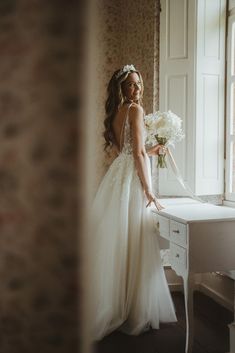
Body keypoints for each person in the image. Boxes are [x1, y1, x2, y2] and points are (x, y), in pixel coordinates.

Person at [89, 64, 177, 341]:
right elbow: (136, 153)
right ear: (121, 88)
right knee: (132, 237)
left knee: (117, 239)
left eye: (138, 84)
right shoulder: (136, 110)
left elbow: (126, 152)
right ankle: (132, 309)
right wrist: (149, 190)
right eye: (131, 84)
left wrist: (151, 151)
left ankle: (117, 303)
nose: (137, 89)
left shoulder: (116, 112)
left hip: (117, 175)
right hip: (132, 178)